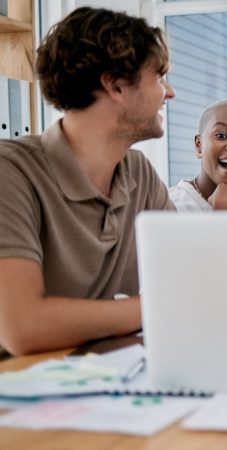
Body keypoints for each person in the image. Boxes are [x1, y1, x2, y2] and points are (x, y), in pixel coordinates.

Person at [0, 7, 175, 355]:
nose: (169, 93)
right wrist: (155, 309)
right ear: (115, 84)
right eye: (158, 77)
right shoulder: (11, 172)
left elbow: (190, 279)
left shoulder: (140, 174)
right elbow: (23, 328)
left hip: (107, 382)